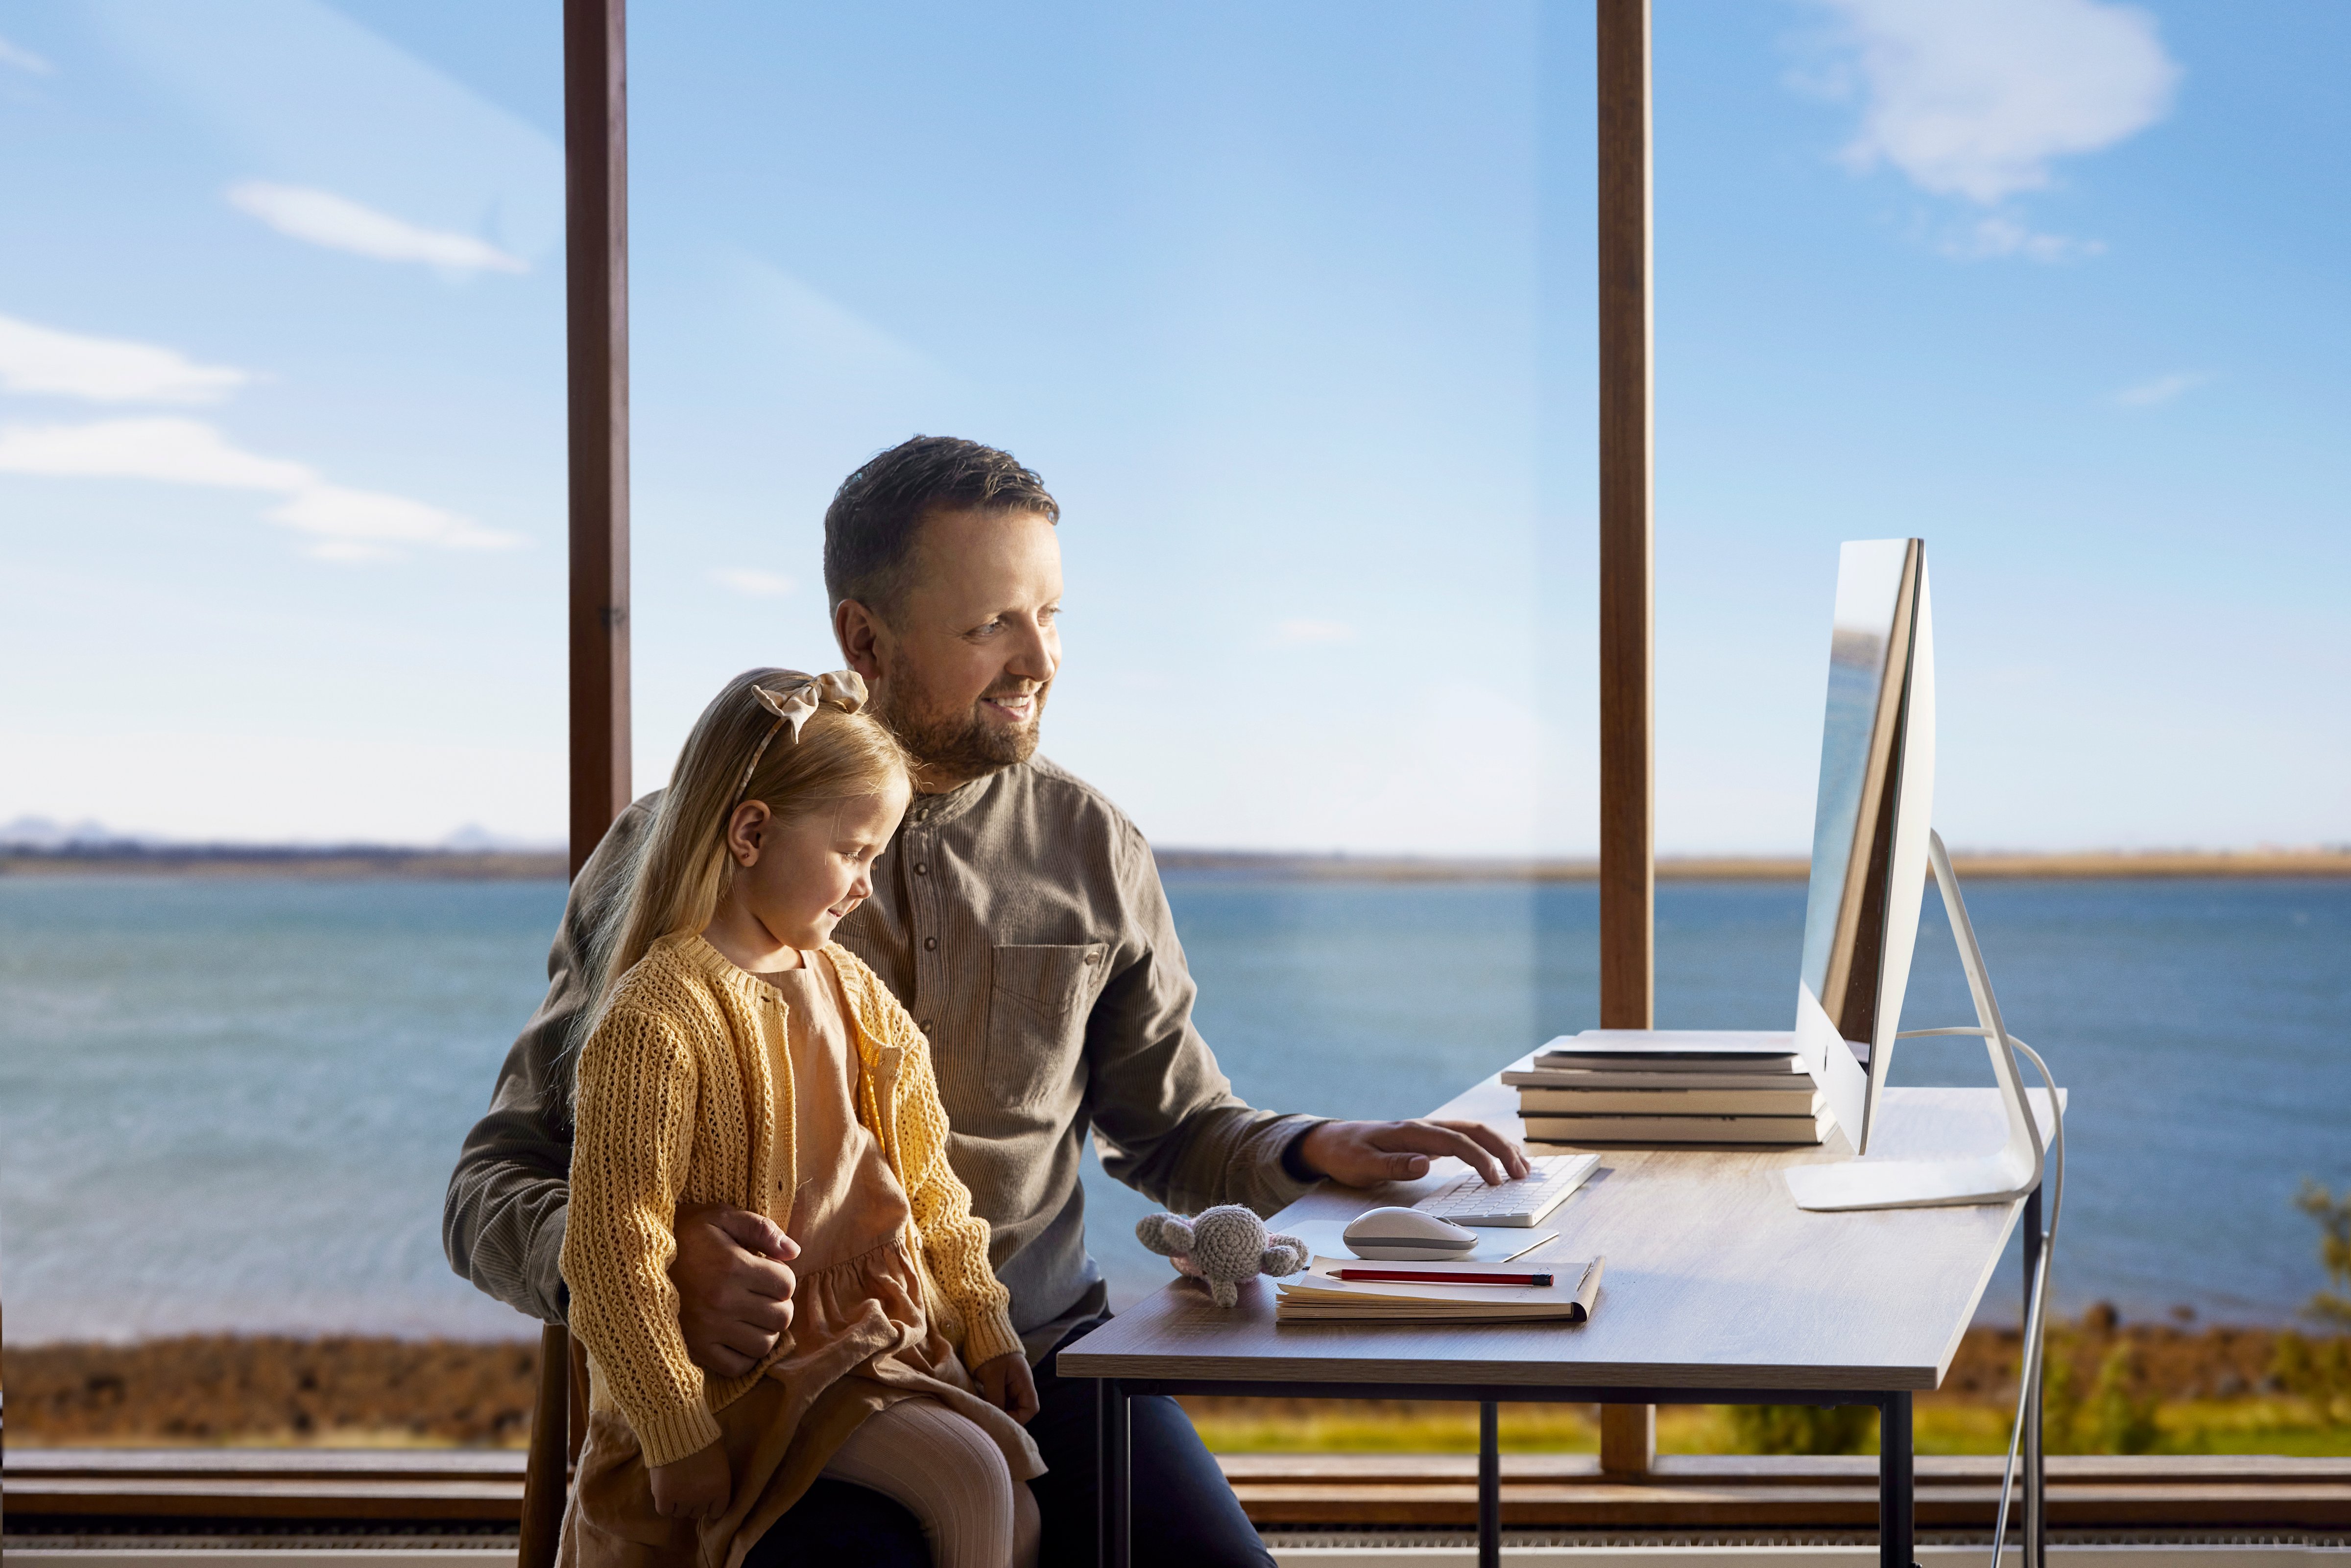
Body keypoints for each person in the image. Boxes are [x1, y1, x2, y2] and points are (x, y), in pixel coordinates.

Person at [446, 435, 1528, 1568]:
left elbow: (1173, 1128)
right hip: (781, 1394)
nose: (1039, 659)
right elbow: (490, 1185)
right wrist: (657, 1268)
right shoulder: (680, 855)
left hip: (1043, 1358)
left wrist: (1315, 1143)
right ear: (863, 640)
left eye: (1051, 614)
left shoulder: (1093, 844)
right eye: (990, 627)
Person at [559, 667, 1043, 1568]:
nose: (865, 885)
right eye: (854, 851)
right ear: (751, 832)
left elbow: (930, 1183)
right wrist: (674, 1426)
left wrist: (983, 1316)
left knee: (1013, 1503)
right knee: (974, 1479)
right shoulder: (658, 1016)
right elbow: (608, 1250)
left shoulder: (854, 992)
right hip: (750, 1379)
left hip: (872, 1339)